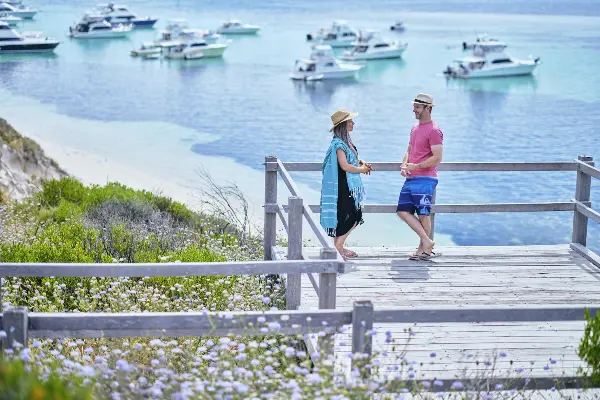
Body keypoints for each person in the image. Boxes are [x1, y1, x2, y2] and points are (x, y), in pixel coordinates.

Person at [320, 108, 371, 260]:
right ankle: (338, 247)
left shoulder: (344, 142)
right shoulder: (338, 144)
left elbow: (351, 159)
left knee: (345, 216)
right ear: (343, 124)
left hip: (346, 185)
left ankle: (339, 247)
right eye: (350, 121)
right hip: (343, 186)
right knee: (353, 216)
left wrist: (361, 162)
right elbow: (345, 165)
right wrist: (361, 170)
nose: (353, 123)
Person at [397, 93, 444, 260]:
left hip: (426, 178)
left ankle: (423, 250)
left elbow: (437, 157)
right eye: (414, 106)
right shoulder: (414, 128)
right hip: (411, 177)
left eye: (417, 107)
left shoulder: (434, 130)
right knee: (402, 211)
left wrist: (416, 166)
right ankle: (426, 241)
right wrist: (404, 165)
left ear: (428, 108)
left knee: (423, 214)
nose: (414, 110)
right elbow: (409, 150)